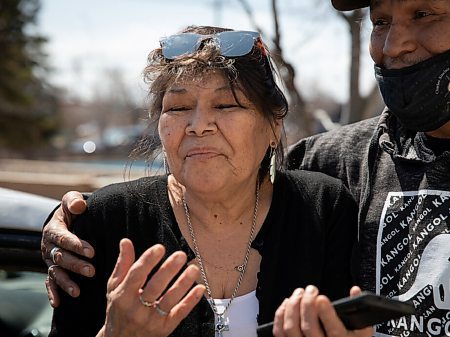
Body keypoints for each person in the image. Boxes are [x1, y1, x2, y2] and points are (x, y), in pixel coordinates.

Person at [43, 0, 450, 335]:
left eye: (425, 14)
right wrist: (61, 224)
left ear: (272, 125)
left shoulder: (320, 203)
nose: (394, 43)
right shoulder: (337, 164)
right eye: (379, 20)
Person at [45, 25, 371, 337]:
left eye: (226, 104)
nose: (198, 125)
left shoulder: (322, 209)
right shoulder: (103, 222)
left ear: (273, 127)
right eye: (179, 106)